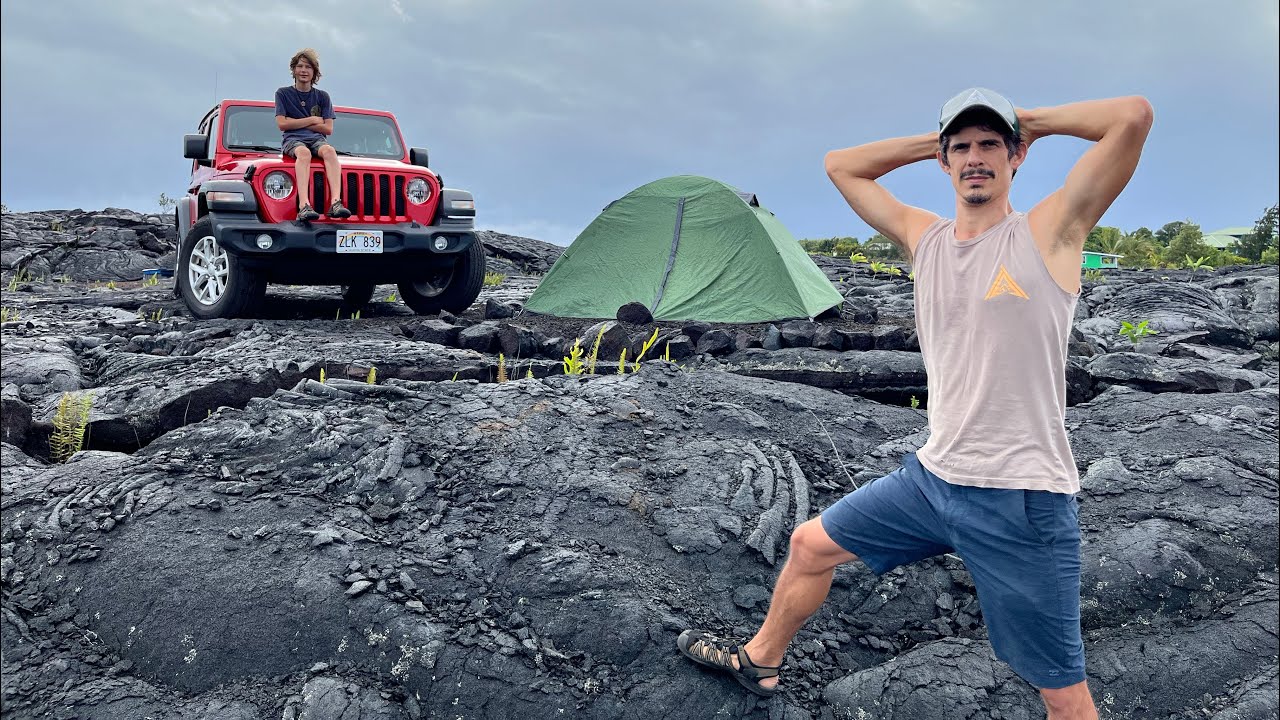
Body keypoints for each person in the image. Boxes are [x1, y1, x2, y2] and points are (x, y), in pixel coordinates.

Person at [677, 88, 1153, 719]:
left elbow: (1132, 117)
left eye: (990, 145)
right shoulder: (923, 237)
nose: (975, 158)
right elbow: (842, 164)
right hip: (931, 483)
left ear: (1016, 158)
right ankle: (761, 662)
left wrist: (1027, 122)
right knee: (810, 546)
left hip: (1021, 500)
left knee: (1062, 693)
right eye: (961, 148)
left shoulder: (1051, 230)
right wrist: (937, 141)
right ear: (943, 161)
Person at [275, 48, 350, 222]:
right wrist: (312, 120)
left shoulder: (322, 97)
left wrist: (296, 121)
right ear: (293, 70)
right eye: (300, 66)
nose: (303, 70)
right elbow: (282, 124)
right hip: (292, 140)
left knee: (330, 152)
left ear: (314, 72)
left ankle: (336, 202)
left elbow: (328, 129)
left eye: (308, 67)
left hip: (317, 140)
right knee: (304, 153)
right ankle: (304, 205)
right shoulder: (283, 94)